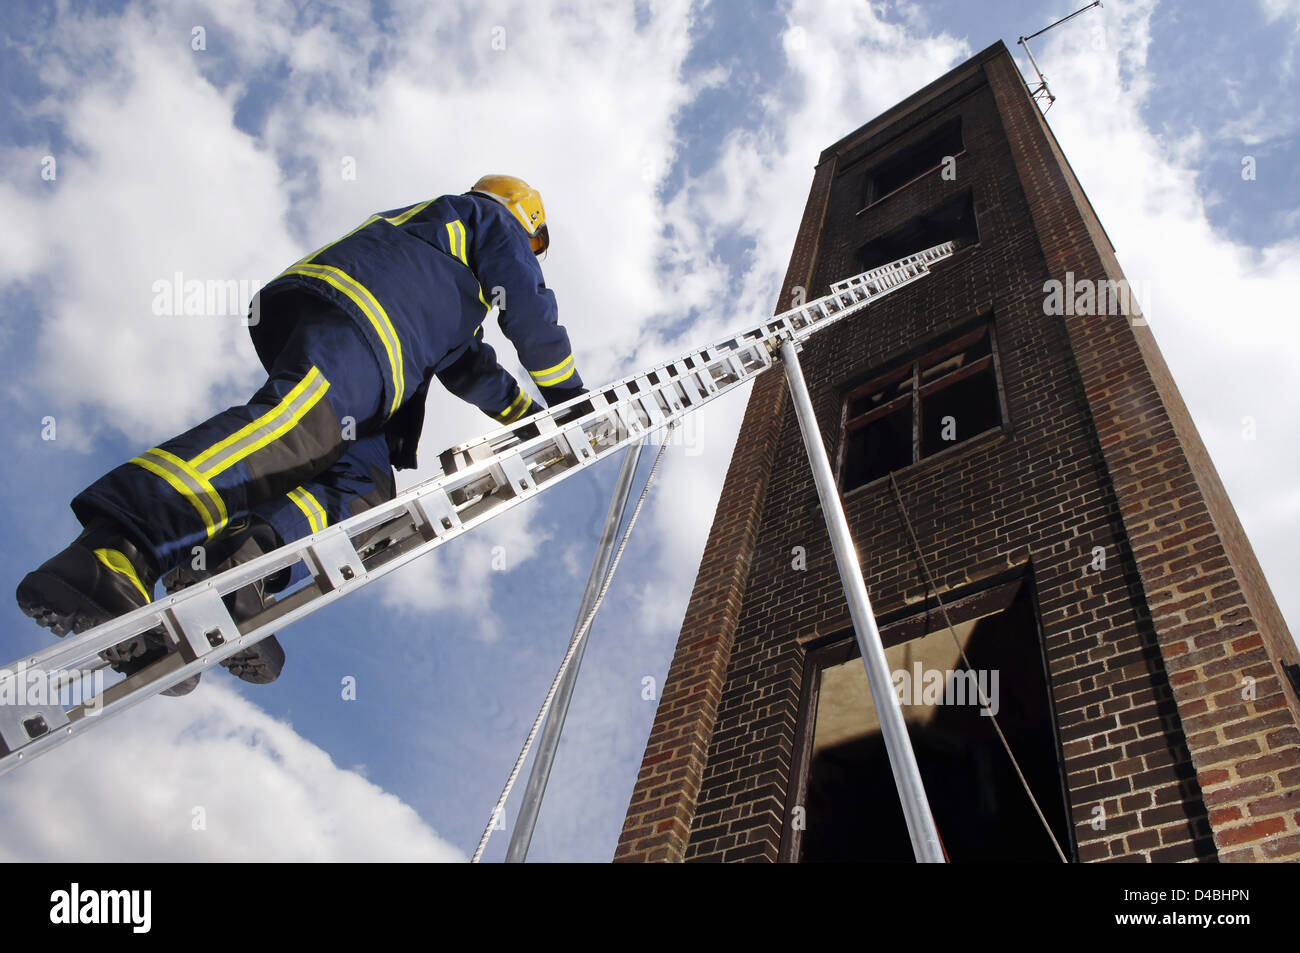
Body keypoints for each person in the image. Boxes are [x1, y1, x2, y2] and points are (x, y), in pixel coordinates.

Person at [16, 175, 586, 694]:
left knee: (362, 487)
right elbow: (531, 311)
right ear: (525, 219)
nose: (532, 257)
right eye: (536, 247)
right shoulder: (488, 220)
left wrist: (532, 420)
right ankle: (117, 548)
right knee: (291, 432)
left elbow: (472, 369)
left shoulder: (453, 286)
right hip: (364, 323)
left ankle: (240, 570)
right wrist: (571, 401)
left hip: (380, 363)